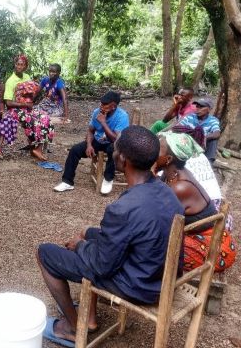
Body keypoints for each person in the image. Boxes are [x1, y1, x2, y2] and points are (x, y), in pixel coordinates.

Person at [38, 126, 184, 347]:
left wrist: (79, 246)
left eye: (115, 149)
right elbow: (127, 238)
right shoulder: (167, 192)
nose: (113, 152)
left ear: (123, 159)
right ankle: (91, 318)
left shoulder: (123, 208)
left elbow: (102, 265)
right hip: (159, 278)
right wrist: (87, 237)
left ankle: (71, 328)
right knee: (89, 232)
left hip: (137, 286)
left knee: (45, 253)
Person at [156, 131, 236, 272]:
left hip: (212, 246)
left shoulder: (180, 187)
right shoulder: (172, 173)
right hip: (195, 235)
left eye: (158, 149)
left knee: (156, 247)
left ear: (168, 159)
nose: (153, 151)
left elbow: (159, 219)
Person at [54, 91, 129, 195]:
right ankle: (67, 181)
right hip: (98, 141)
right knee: (75, 150)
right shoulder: (96, 112)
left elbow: (116, 139)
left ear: (113, 106)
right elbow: (90, 130)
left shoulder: (122, 116)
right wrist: (89, 145)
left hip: (113, 143)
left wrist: (103, 122)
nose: (101, 107)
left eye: (104, 105)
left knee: (113, 149)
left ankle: (108, 179)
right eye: (101, 104)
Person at [4, 54, 54, 161]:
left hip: (28, 108)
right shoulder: (10, 81)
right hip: (15, 109)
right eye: (17, 64)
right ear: (15, 65)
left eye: (22, 65)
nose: (19, 67)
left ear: (25, 66)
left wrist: (39, 95)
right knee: (35, 122)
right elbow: (8, 103)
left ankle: (37, 149)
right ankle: (34, 148)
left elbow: (32, 94)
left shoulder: (27, 77)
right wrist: (25, 105)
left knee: (45, 118)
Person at [178, 97, 220, 163]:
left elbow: (217, 133)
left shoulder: (213, 120)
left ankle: (209, 161)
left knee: (214, 140)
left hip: (202, 146)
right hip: (187, 143)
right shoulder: (190, 116)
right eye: (197, 106)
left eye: (201, 107)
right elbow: (178, 127)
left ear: (209, 109)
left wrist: (205, 137)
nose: (197, 109)